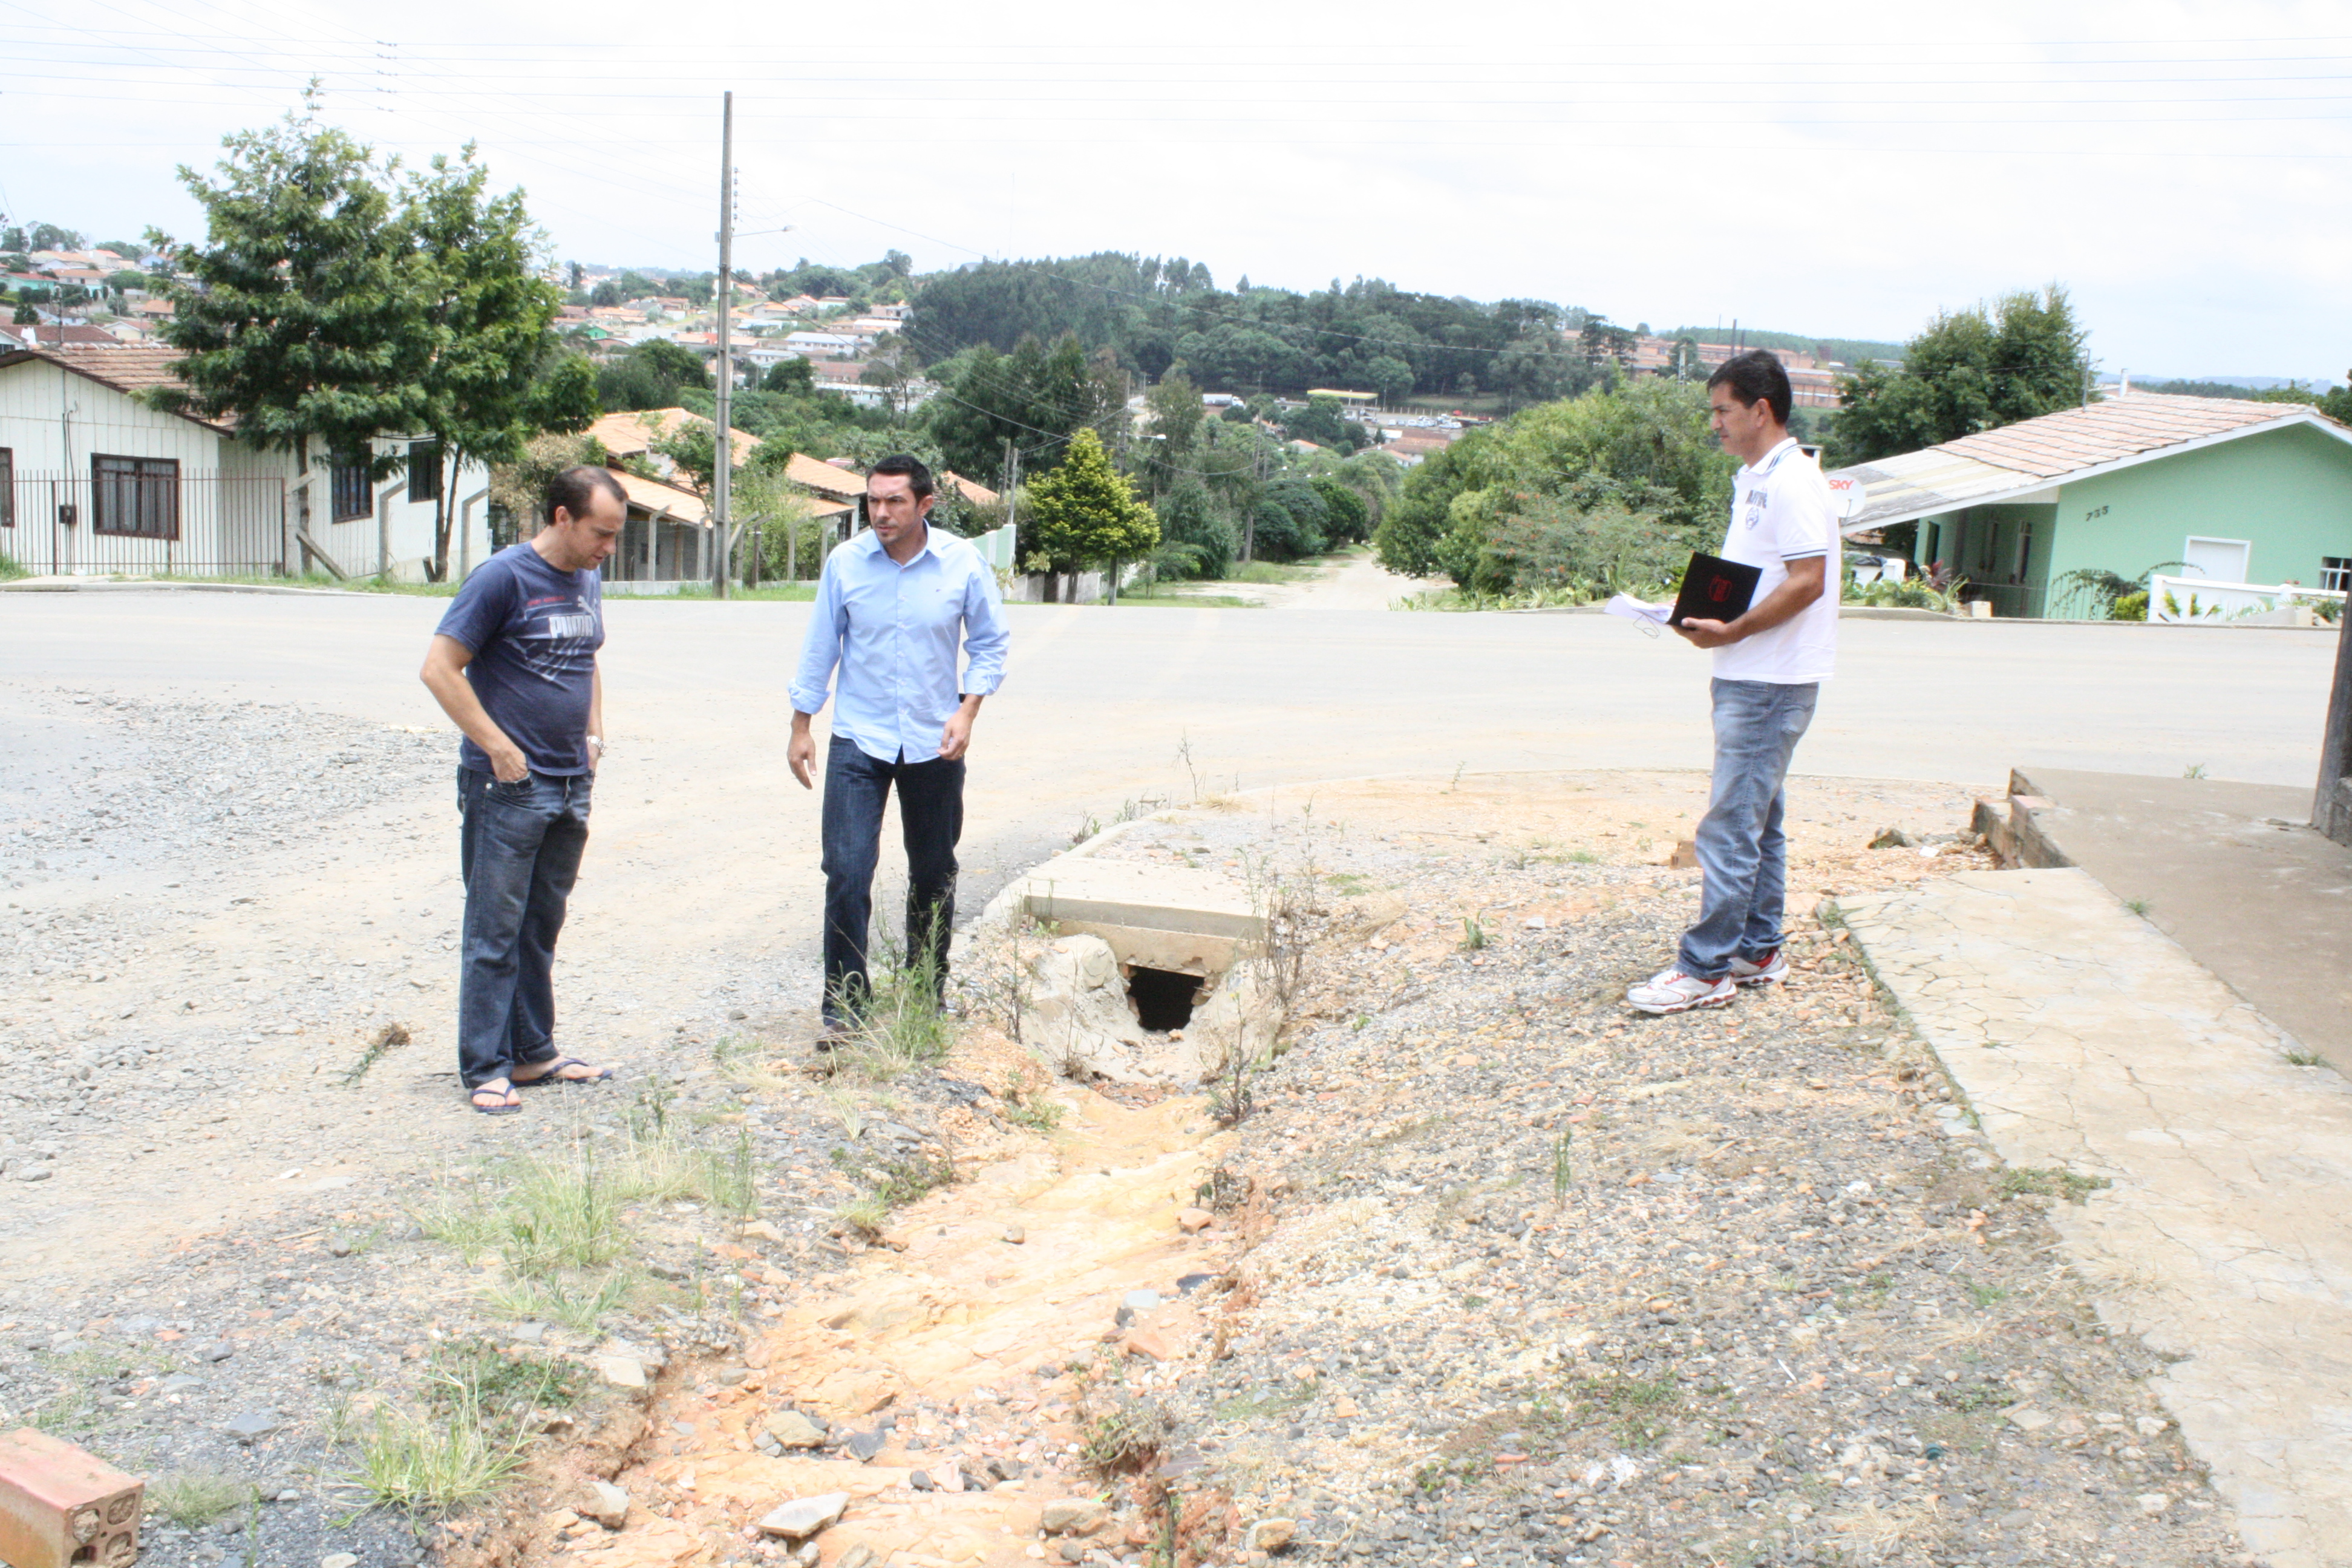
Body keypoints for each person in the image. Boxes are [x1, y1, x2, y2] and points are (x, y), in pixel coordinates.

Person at [1627, 350, 1839, 1015]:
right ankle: (1757, 947)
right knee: (1759, 820)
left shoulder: (1794, 483)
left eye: (1723, 410)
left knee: (1728, 826)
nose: (1714, 423)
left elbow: (1810, 580)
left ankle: (1706, 967)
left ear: (1761, 410)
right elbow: (1757, 571)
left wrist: (1737, 630)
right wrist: (1694, 611)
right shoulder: (1754, 478)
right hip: (1747, 670)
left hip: (1770, 680)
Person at [420, 466, 626, 1111]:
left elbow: (587, 655)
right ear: (562, 517)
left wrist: (594, 735)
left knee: (541, 924)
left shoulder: (586, 577)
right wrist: (499, 748)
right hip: (509, 786)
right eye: (601, 533)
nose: (608, 550)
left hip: (569, 781)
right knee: (494, 930)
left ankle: (534, 1053)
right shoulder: (501, 578)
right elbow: (439, 668)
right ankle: (485, 1067)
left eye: (616, 536)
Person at [788, 453, 1010, 1041]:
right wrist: (800, 725)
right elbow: (820, 647)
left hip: (936, 744)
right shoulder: (845, 564)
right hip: (859, 740)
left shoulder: (962, 564)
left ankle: (923, 994)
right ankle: (844, 1008)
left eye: (894, 502)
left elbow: (990, 645)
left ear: (925, 505)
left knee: (934, 873)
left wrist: (968, 711)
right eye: (873, 501)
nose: (880, 513)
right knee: (847, 870)